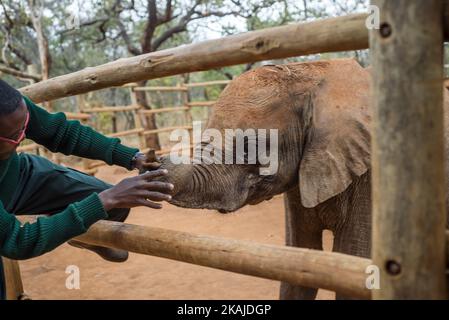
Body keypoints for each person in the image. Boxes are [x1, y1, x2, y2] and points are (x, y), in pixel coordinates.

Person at [0, 79, 174, 300]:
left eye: (24, 126)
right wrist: (105, 200)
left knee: (107, 201)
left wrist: (131, 157)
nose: (23, 136)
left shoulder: (10, 106)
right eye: (14, 135)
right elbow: (17, 241)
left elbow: (61, 132)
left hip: (20, 175)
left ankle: (85, 236)